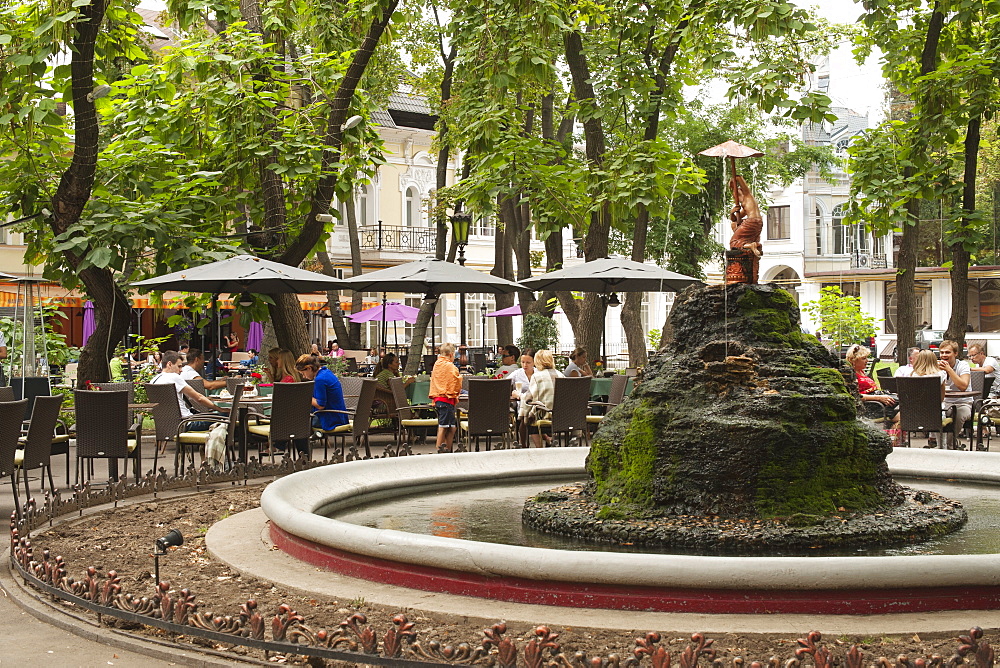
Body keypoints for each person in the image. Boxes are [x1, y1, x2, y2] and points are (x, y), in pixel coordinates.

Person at [151, 351, 227, 431]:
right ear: (169, 364)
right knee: (225, 415)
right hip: (186, 423)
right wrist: (219, 409)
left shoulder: (154, 380)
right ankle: (227, 442)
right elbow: (199, 398)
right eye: (179, 366)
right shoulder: (174, 377)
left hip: (166, 425)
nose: (181, 370)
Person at [295, 353, 348, 434]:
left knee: (295, 423)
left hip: (329, 420)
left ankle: (279, 444)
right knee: (298, 420)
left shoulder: (320, 380)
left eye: (303, 373)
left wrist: (304, 396)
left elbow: (320, 405)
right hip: (339, 416)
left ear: (309, 368)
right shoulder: (326, 372)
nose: (304, 377)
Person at [845, 344, 897, 421]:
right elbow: (853, 396)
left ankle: (896, 429)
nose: (867, 361)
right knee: (906, 412)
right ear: (853, 360)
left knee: (908, 403)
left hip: (879, 401)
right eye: (864, 358)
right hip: (872, 405)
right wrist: (879, 398)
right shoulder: (850, 375)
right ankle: (894, 430)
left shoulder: (861, 371)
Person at [523, 349, 564, 448]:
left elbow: (529, 399)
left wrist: (524, 415)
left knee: (529, 418)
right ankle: (550, 440)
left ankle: (539, 448)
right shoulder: (560, 374)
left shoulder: (537, 376)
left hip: (545, 414)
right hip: (561, 416)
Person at [909, 349, 948, 448]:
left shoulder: (913, 375)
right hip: (936, 415)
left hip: (915, 415)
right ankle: (942, 445)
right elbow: (941, 398)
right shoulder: (941, 375)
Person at [429, 342, 462, 453]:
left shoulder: (437, 364)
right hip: (446, 399)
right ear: (451, 354)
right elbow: (455, 380)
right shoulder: (449, 366)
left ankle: (447, 449)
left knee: (451, 427)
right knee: (443, 426)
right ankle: (439, 450)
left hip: (439, 399)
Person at [939, 339, 972, 448]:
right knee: (931, 411)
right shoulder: (937, 366)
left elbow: (963, 386)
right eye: (942, 352)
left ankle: (950, 445)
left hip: (963, 403)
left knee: (959, 414)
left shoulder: (963, 365)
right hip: (945, 404)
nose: (944, 355)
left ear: (956, 353)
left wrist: (949, 370)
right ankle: (938, 443)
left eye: (947, 352)